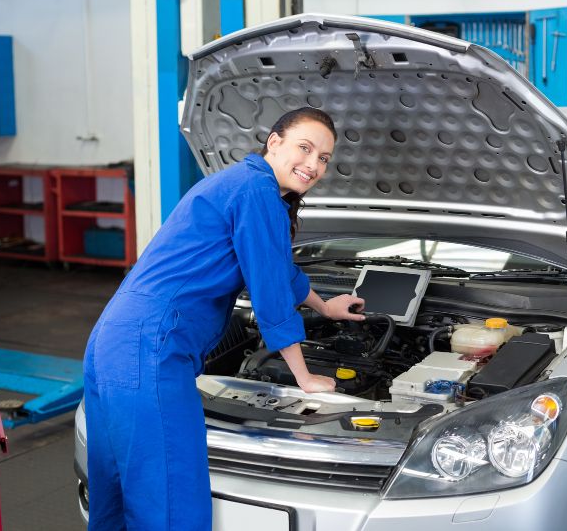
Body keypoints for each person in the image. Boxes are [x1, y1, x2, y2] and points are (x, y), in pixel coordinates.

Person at [82, 107, 365, 530]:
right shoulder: (257, 192)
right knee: (169, 502)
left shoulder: (240, 183)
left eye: (323, 158)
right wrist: (304, 377)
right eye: (304, 148)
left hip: (113, 340)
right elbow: (269, 290)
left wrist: (326, 306)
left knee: (117, 492)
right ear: (274, 142)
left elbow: (279, 270)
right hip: (153, 347)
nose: (313, 164)